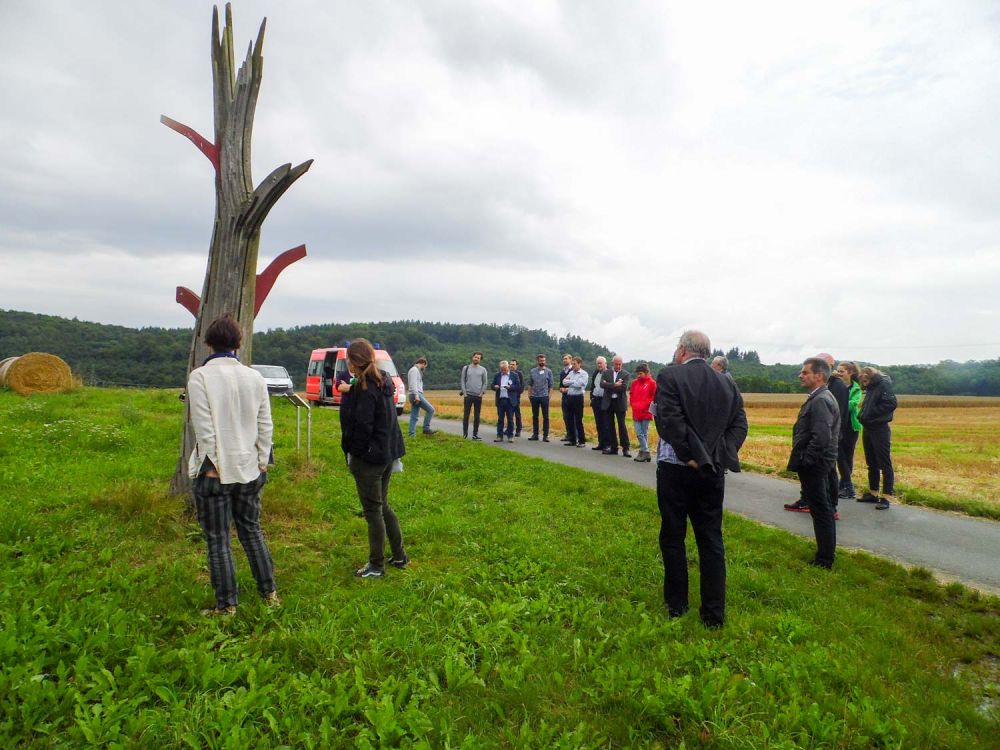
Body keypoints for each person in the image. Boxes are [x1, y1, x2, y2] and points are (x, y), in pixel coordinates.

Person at [187, 313, 279, 616]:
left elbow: (203, 427)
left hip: (216, 471)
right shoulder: (254, 377)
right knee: (252, 530)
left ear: (209, 343)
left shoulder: (200, 377)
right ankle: (270, 594)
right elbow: (265, 425)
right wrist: (263, 460)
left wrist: (212, 464)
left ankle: (227, 606)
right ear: (238, 344)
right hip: (251, 468)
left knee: (218, 539)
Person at [654, 330, 747, 628]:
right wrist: (718, 454)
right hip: (712, 472)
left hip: (676, 468)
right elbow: (739, 425)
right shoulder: (726, 383)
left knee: (673, 536)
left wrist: (689, 454)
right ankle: (713, 614)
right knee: (710, 539)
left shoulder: (670, 376)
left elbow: (668, 420)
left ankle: (677, 604)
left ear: (682, 350)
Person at [340, 338, 409, 578]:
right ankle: (399, 555)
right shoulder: (383, 380)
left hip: (370, 459)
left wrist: (355, 454)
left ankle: (376, 565)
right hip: (388, 453)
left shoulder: (366, 388)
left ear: (353, 362)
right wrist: (350, 390)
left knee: (373, 511)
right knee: (383, 505)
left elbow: (362, 426)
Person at [787, 358, 841, 570]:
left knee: (820, 510)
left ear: (819, 375)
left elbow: (821, 437)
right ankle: (825, 554)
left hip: (816, 464)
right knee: (822, 508)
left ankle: (824, 559)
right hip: (820, 462)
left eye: (805, 372)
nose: (801, 376)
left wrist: (806, 460)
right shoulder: (821, 397)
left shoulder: (820, 400)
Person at [857, 366, 897, 510]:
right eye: (862, 381)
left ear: (871, 376)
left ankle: (886, 497)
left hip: (880, 428)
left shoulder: (883, 384)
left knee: (884, 463)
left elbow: (891, 403)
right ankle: (873, 493)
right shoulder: (872, 386)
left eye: (865, 380)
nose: (864, 383)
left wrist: (871, 414)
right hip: (868, 427)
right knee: (871, 462)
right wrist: (863, 415)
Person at [835, 361, 862, 499]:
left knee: (848, 455)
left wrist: (840, 402)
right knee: (839, 455)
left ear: (850, 373)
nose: (838, 373)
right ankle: (847, 485)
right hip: (839, 425)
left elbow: (852, 405)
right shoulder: (836, 385)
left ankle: (845, 486)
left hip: (851, 426)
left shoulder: (856, 388)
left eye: (841, 371)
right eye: (837, 371)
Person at [601, 355, 632, 457]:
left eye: (620, 364)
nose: (618, 366)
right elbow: (602, 384)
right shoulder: (606, 372)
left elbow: (623, 388)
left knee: (622, 426)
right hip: (608, 402)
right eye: (616, 364)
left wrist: (609, 385)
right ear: (612, 363)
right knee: (610, 426)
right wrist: (615, 385)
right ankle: (613, 448)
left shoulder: (626, 374)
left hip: (619, 403)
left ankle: (626, 448)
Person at [629, 362, 656, 462]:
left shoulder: (652, 383)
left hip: (646, 412)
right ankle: (645, 452)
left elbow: (654, 396)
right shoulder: (634, 383)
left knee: (643, 434)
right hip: (636, 411)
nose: (638, 376)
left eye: (640, 373)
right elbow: (631, 394)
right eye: (637, 374)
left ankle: (644, 452)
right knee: (639, 433)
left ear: (646, 373)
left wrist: (646, 404)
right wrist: (633, 403)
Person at [561, 356, 589, 447]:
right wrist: (574, 382)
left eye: (575, 364)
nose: (573, 366)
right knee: (569, 419)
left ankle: (581, 441)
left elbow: (580, 384)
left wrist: (571, 382)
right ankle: (572, 440)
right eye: (572, 364)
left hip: (578, 398)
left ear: (579, 364)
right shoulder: (571, 373)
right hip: (569, 397)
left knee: (578, 420)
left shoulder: (584, 374)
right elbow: (564, 382)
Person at [460, 352, 488, 440]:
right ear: (472, 357)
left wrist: (481, 393)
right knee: (466, 415)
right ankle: (465, 434)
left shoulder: (483, 370)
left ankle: (475, 435)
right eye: (475, 357)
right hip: (468, 395)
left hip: (478, 396)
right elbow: (462, 381)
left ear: (480, 360)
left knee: (477, 416)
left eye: (478, 358)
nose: (476, 359)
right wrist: (464, 393)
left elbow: (485, 382)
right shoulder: (466, 368)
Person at [406, 357, 435, 437]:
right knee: (431, 410)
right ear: (423, 364)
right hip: (415, 394)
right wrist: (417, 395)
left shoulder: (415, 370)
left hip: (414, 394)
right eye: (425, 366)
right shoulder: (414, 370)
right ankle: (426, 429)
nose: (424, 368)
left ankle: (412, 434)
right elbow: (413, 384)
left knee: (414, 416)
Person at [527, 353, 553, 441]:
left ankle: (545, 435)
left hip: (544, 396)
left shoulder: (549, 371)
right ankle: (535, 434)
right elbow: (530, 384)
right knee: (535, 416)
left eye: (544, 360)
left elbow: (551, 385)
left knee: (546, 417)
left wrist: (549, 396)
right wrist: (529, 395)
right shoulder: (532, 371)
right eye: (541, 360)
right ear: (537, 361)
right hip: (534, 396)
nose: (542, 362)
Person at [588, 356, 611, 451]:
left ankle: (608, 444)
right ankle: (601, 443)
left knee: (606, 423)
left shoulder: (609, 373)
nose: (599, 365)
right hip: (596, 400)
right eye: (598, 363)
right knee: (599, 423)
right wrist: (592, 398)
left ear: (605, 364)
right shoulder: (596, 373)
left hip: (605, 401)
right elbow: (592, 386)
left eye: (601, 363)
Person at [492, 360, 517, 442]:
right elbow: (492, 385)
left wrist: (510, 387)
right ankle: (499, 436)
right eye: (502, 369)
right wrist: (494, 387)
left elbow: (518, 387)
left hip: (510, 400)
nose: (503, 371)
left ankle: (510, 436)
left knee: (510, 419)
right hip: (500, 400)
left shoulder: (514, 375)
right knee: (500, 419)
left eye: (504, 369)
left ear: (508, 367)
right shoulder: (497, 375)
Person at [558, 353, 573, 441]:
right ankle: (568, 434)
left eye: (566, 359)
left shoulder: (573, 370)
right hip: (564, 397)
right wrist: (561, 389)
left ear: (570, 360)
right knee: (565, 416)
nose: (565, 360)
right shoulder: (562, 372)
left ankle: (574, 436)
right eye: (563, 359)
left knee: (572, 417)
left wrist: (567, 389)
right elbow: (561, 384)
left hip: (572, 397)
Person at [509, 359, 524, 437]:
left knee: (517, 414)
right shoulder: (507, 373)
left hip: (516, 397)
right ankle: (509, 429)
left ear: (516, 366)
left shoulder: (519, 374)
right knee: (509, 414)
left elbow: (521, 386)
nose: (511, 366)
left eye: (513, 364)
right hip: (508, 397)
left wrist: (517, 395)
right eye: (510, 364)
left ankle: (518, 430)